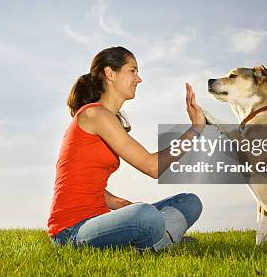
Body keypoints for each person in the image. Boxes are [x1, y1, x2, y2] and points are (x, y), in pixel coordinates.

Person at [47, 46, 206, 251]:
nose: (139, 79)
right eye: (132, 70)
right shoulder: (94, 114)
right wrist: (195, 130)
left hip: (99, 220)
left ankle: (158, 238)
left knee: (189, 202)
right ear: (110, 73)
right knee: (146, 216)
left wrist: (120, 205)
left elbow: (80, 179)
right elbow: (152, 167)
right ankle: (162, 240)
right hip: (70, 231)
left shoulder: (106, 118)